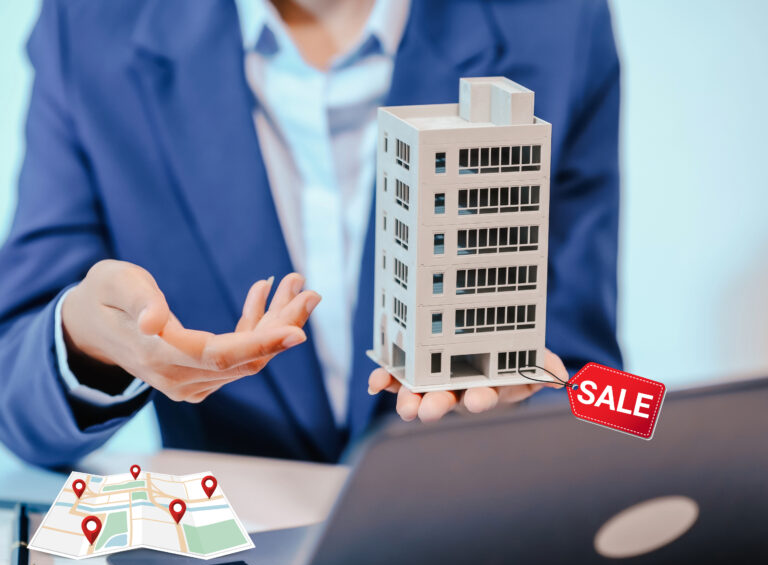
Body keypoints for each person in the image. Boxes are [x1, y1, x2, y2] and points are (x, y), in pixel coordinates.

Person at [0, 0, 622, 468]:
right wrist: (85, 342)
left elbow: (611, 397)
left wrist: (539, 393)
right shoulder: (87, 26)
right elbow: (11, 391)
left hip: (463, 561)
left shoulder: (560, 22)